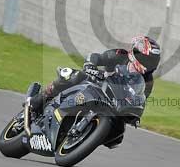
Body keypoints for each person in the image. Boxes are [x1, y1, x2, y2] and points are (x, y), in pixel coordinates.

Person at [27, 36, 160, 116]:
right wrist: (90, 65)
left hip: (112, 103)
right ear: (136, 52)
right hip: (96, 84)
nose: (148, 64)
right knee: (71, 75)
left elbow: (140, 99)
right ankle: (37, 101)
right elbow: (97, 57)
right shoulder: (121, 55)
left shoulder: (148, 80)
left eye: (152, 61)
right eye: (147, 59)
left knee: (117, 136)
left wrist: (134, 113)